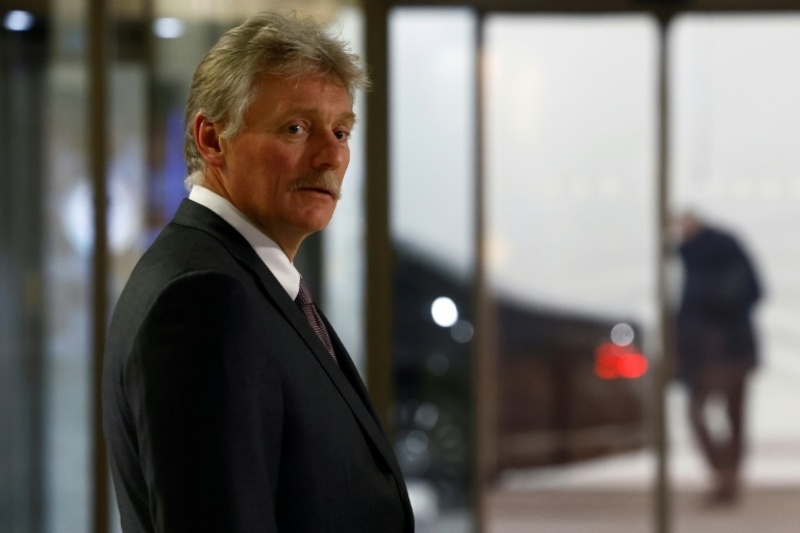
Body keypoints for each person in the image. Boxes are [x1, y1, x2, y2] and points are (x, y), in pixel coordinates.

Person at [102, 11, 414, 532]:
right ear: (212, 139)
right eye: (296, 128)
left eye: (341, 131)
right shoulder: (204, 300)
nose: (331, 156)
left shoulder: (242, 279)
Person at [674, 211, 762, 506]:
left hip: (724, 350)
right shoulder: (695, 256)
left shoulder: (716, 253)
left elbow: (745, 292)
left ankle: (727, 477)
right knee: (715, 414)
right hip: (717, 351)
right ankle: (725, 475)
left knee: (725, 414)